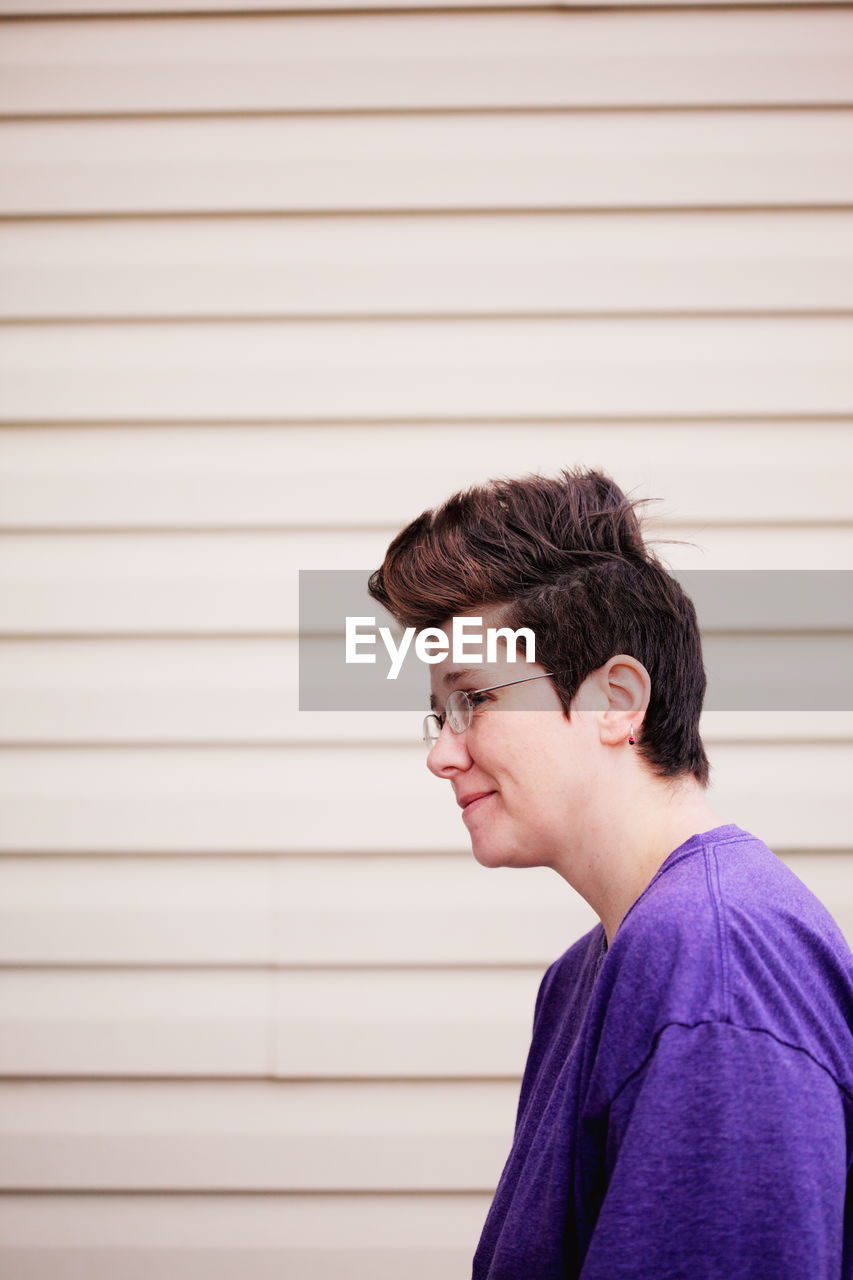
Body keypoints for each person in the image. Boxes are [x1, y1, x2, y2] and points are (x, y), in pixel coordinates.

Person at [367, 466, 853, 1280]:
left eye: (474, 699)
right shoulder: (588, 975)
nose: (440, 754)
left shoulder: (718, 962)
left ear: (615, 700)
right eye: (437, 712)